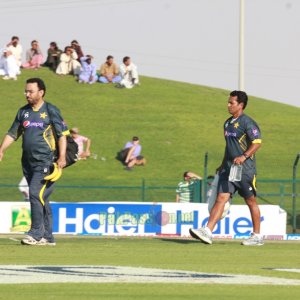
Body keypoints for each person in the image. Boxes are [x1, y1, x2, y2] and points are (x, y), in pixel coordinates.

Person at [0, 77, 68, 246]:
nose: (26, 94)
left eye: (30, 91)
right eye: (26, 91)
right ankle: (48, 236)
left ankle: (36, 234)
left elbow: (62, 136)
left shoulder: (51, 110)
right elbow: (13, 133)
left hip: (45, 161)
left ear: (41, 92)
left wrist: (62, 157)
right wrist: (1, 149)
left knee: (35, 194)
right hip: (27, 163)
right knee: (41, 197)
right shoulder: (23, 112)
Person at [189, 90, 263, 246]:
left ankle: (257, 236)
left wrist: (243, 156)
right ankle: (208, 231)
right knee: (221, 198)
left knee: (250, 201)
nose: (228, 105)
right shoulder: (227, 123)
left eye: (232, 103)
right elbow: (229, 147)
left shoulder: (247, 122)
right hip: (228, 169)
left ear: (241, 105)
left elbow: (257, 142)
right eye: (228, 102)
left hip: (245, 169)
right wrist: (223, 164)